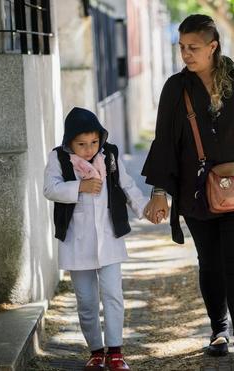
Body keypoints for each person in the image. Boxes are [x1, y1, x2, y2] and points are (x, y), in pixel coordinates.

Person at [141, 14, 234, 371]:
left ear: (213, 46)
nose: (186, 54)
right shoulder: (175, 88)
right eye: (181, 47)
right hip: (196, 193)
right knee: (210, 264)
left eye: (193, 47)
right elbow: (164, 142)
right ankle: (218, 331)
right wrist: (160, 191)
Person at [43, 107, 148, 371]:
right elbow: (50, 189)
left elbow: (127, 185)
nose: (89, 149)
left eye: (93, 142)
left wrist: (145, 208)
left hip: (109, 238)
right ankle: (96, 352)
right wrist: (79, 186)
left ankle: (115, 352)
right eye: (81, 144)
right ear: (69, 142)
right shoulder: (59, 159)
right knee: (87, 301)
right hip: (76, 243)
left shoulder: (109, 154)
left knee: (113, 295)